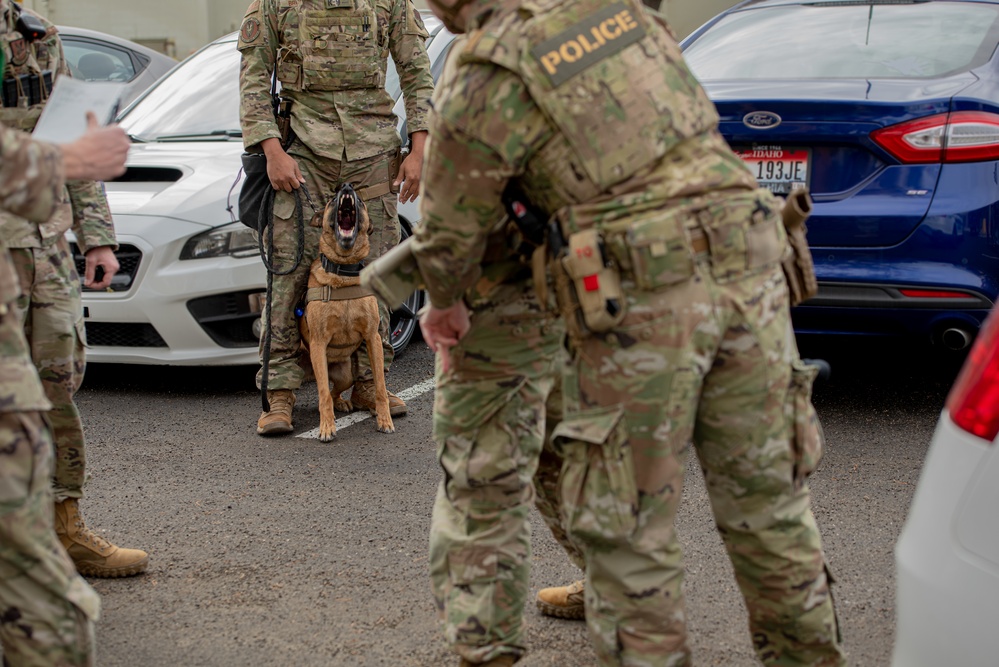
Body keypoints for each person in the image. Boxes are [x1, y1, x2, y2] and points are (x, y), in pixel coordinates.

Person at [411, 0, 848, 665]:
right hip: (753, 265)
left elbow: (445, 236)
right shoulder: (617, 10)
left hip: (645, 293)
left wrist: (444, 305)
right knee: (772, 516)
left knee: (627, 540)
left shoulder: (486, 65)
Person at [238, 0, 435, 435]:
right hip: (302, 154)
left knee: (379, 275)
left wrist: (419, 150)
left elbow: (417, 73)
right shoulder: (273, 3)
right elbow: (253, 78)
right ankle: (280, 395)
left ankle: (368, 383)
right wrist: (271, 150)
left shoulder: (390, 3)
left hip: (373, 151)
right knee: (288, 277)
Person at [0, 2, 149, 579]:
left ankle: (64, 529)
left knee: (58, 385)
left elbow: (71, 139)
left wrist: (97, 239)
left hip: (46, 242)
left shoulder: (38, 33)